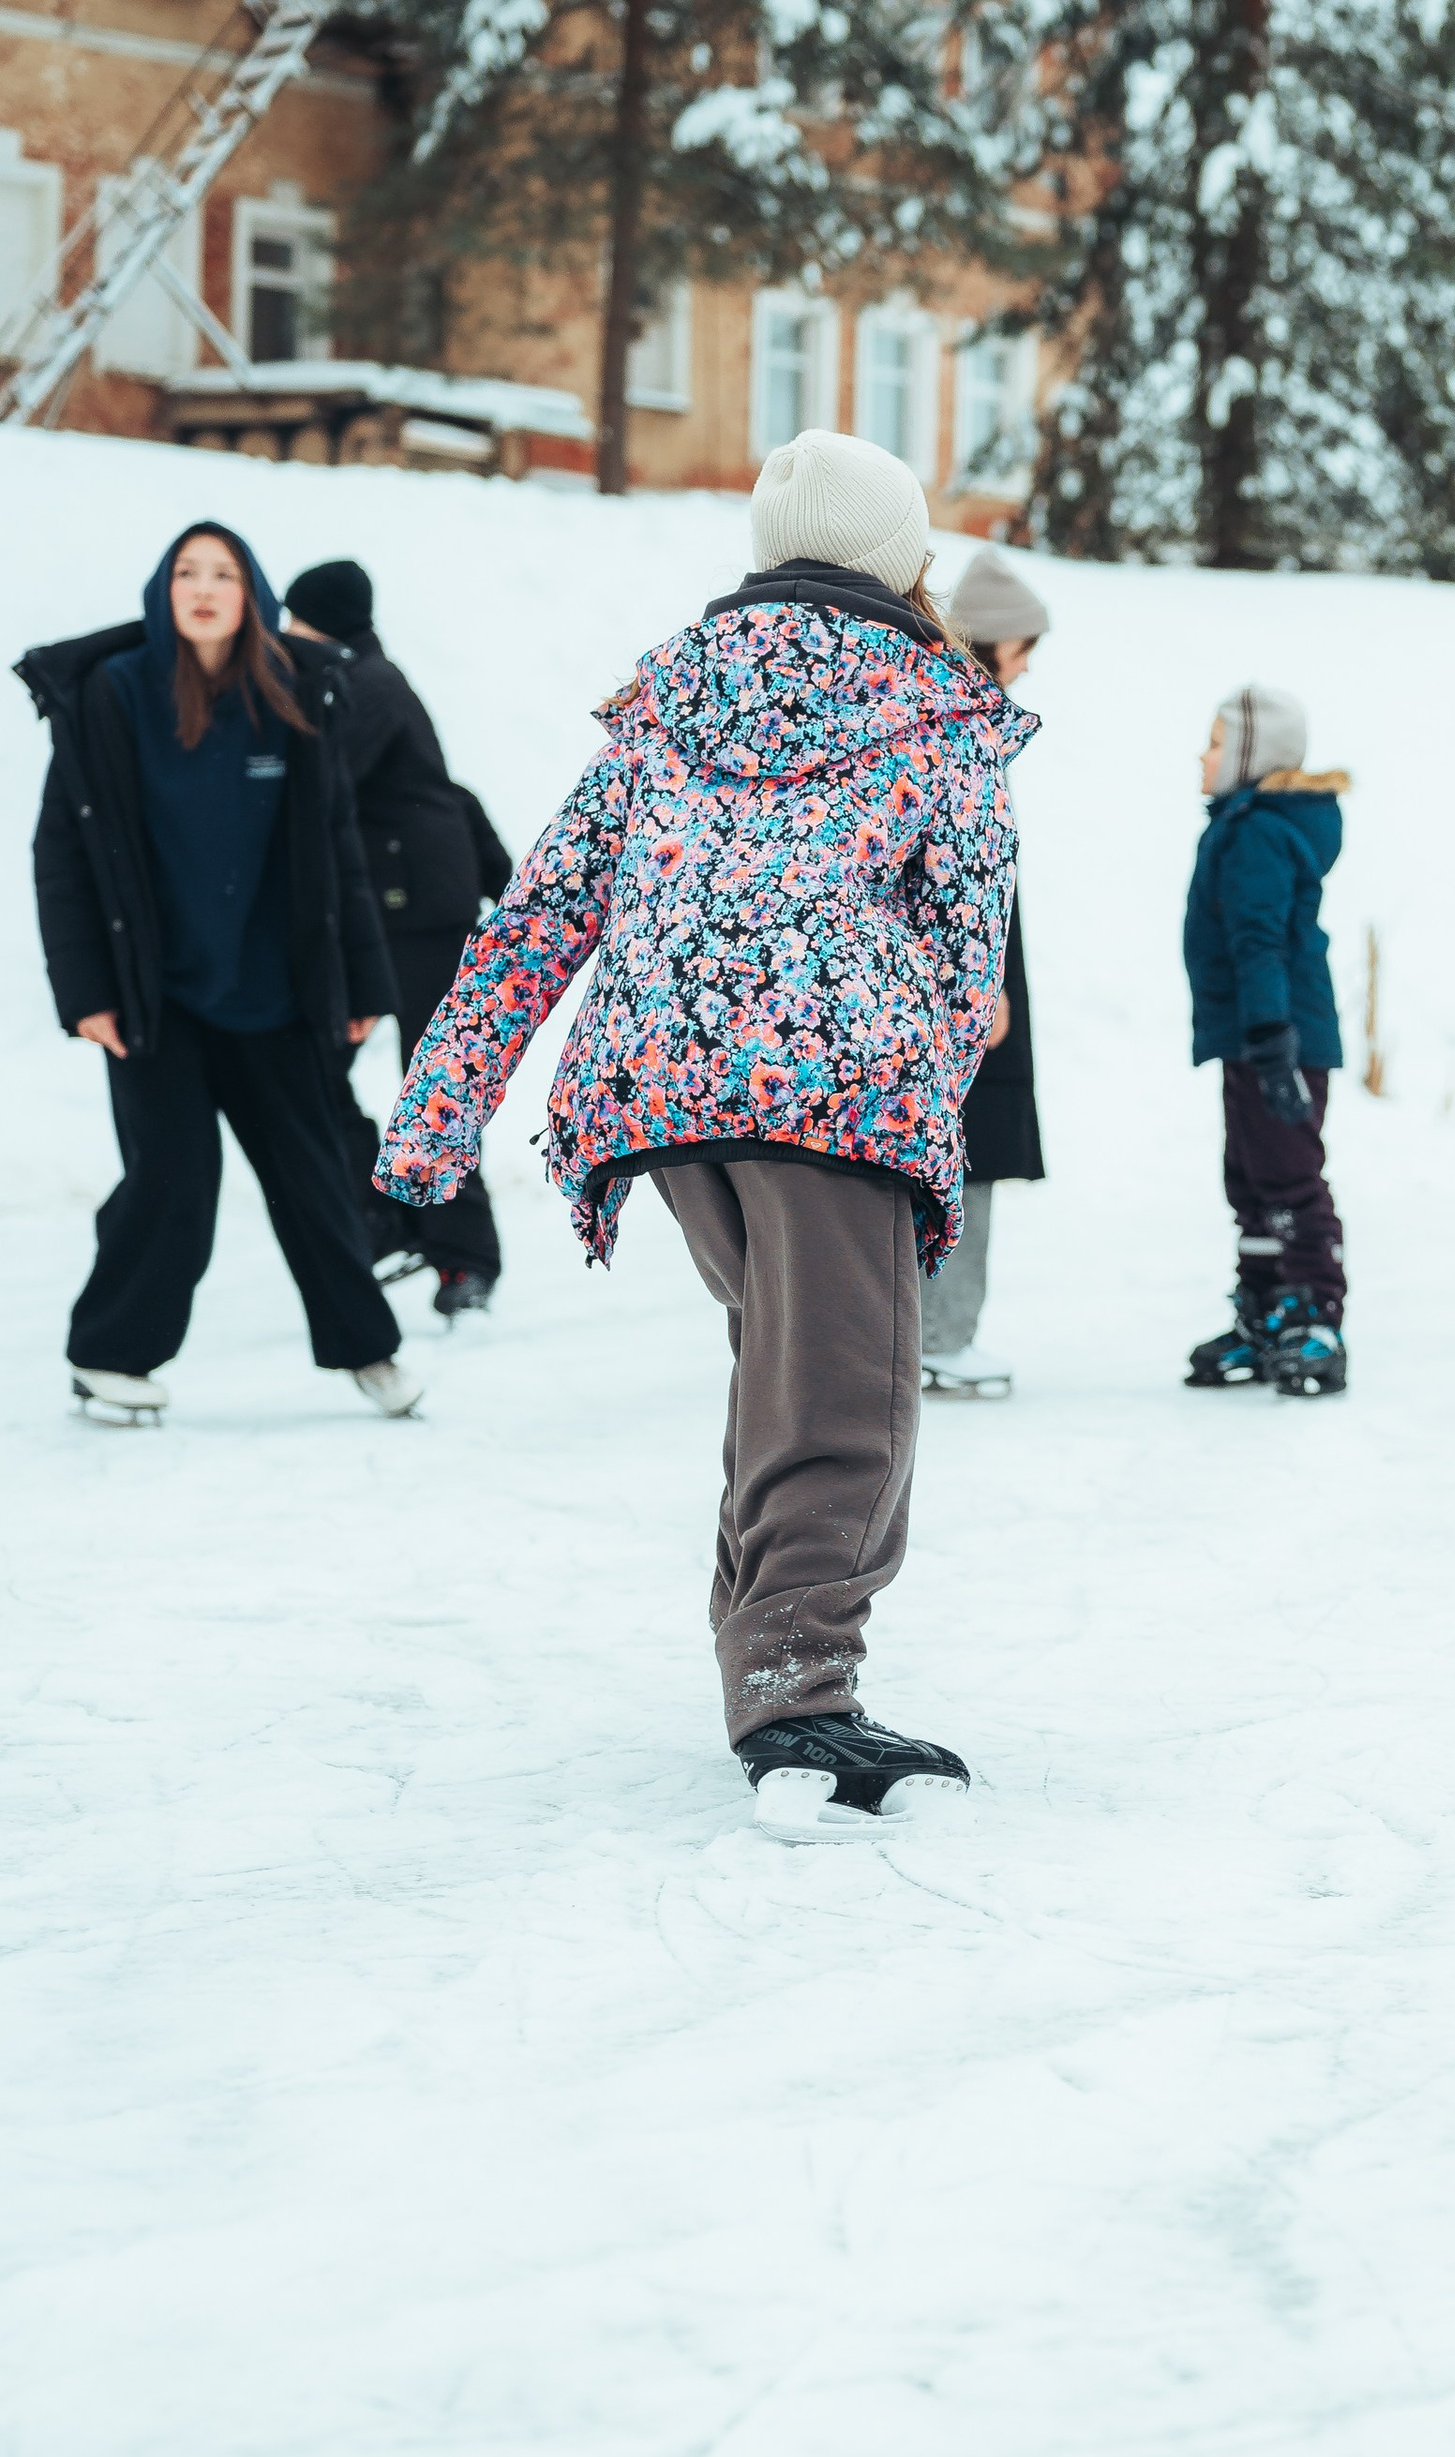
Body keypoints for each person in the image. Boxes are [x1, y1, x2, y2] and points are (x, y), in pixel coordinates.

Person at [373, 432, 1027, 1833]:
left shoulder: (668, 698)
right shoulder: (937, 707)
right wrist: (946, 1030)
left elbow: (540, 913)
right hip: (839, 1091)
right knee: (851, 1395)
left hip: (665, 1100)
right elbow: (976, 955)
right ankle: (797, 1692)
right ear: (892, 554)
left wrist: (441, 1111)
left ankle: (769, 1655)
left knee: (782, 1375)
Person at [22, 521, 421, 1426]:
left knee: (312, 1176)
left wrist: (361, 986)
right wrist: (85, 995)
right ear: (164, 590)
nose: (203, 588)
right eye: (187, 572)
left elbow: (333, 854)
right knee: (171, 1176)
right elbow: (63, 856)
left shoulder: (293, 693)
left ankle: (369, 1351)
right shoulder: (110, 697)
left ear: (254, 596)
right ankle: (110, 1358)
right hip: (153, 999)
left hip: (271, 992)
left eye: (225, 574)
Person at [283, 558, 514, 1321]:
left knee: (431, 1079)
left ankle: (464, 1255)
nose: (284, 633)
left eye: (294, 618)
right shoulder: (352, 679)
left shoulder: (366, 685)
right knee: (310, 1065)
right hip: (376, 905)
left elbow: (322, 782)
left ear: (321, 620)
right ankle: (388, 1215)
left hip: (420, 904)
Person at [1182, 680, 1351, 1399]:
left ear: (1249, 753)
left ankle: (1316, 1312)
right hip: (1254, 1035)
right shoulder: (1244, 822)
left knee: (1287, 1177)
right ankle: (1263, 1310)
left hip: (1275, 1036)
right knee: (1250, 1180)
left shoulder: (1256, 829)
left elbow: (1260, 940)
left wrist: (1271, 1036)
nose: (1203, 754)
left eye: (1217, 742)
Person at [923, 545, 1052, 1398]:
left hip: (964, 965)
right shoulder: (963, 723)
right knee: (967, 1150)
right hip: (968, 974)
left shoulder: (951, 713)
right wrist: (986, 980)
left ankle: (930, 1329)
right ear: (994, 644)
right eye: (1025, 644)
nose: (1032, 662)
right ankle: (940, 1333)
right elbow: (966, 865)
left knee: (955, 1148)